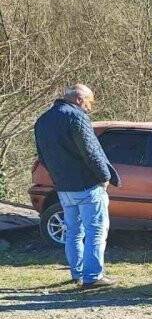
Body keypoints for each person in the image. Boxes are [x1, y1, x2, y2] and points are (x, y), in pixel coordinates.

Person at [33, 84, 119, 288]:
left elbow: (42, 156)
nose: (90, 106)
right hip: (87, 185)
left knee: (73, 231)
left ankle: (77, 273)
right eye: (90, 101)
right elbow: (91, 151)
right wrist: (104, 177)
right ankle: (93, 276)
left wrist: (58, 176)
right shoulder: (77, 117)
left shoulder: (42, 120)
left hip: (63, 186)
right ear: (79, 99)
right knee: (96, 230)